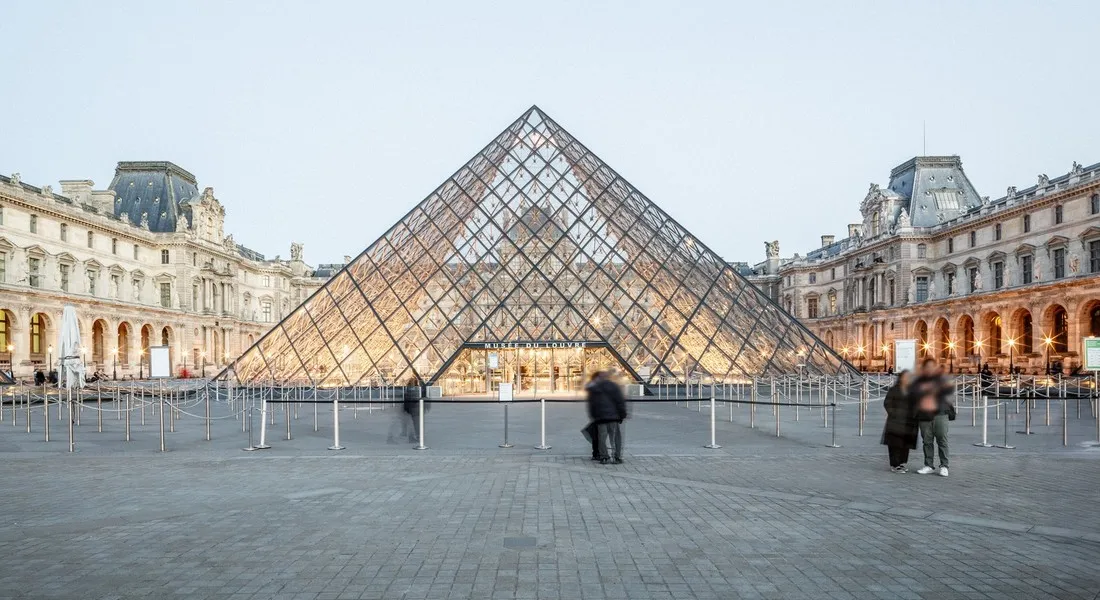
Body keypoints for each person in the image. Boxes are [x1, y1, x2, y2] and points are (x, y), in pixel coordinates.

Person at [911, 358, 952, 477]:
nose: (929, 369)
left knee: (942, 440)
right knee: (927, 441)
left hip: (940, 414)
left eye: (931, 367)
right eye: (927, 367)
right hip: (924, 415)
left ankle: (944, 465)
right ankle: (929, 465)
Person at [880, 370, 916, 472]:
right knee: (895, 443)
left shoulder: (911, 390)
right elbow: (887, 403)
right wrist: (894, 413)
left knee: (905, 443)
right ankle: (895, 464)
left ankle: (902, 463)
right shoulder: (894, 390)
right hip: (895, 421)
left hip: (908, 421)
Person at [599, 370, 628, 464]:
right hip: (613, 416)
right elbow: (620, 402)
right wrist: (622, 415)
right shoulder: (615, 387)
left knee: (602, 437)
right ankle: (616, 457)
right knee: (615, 437)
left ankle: (604, 457)